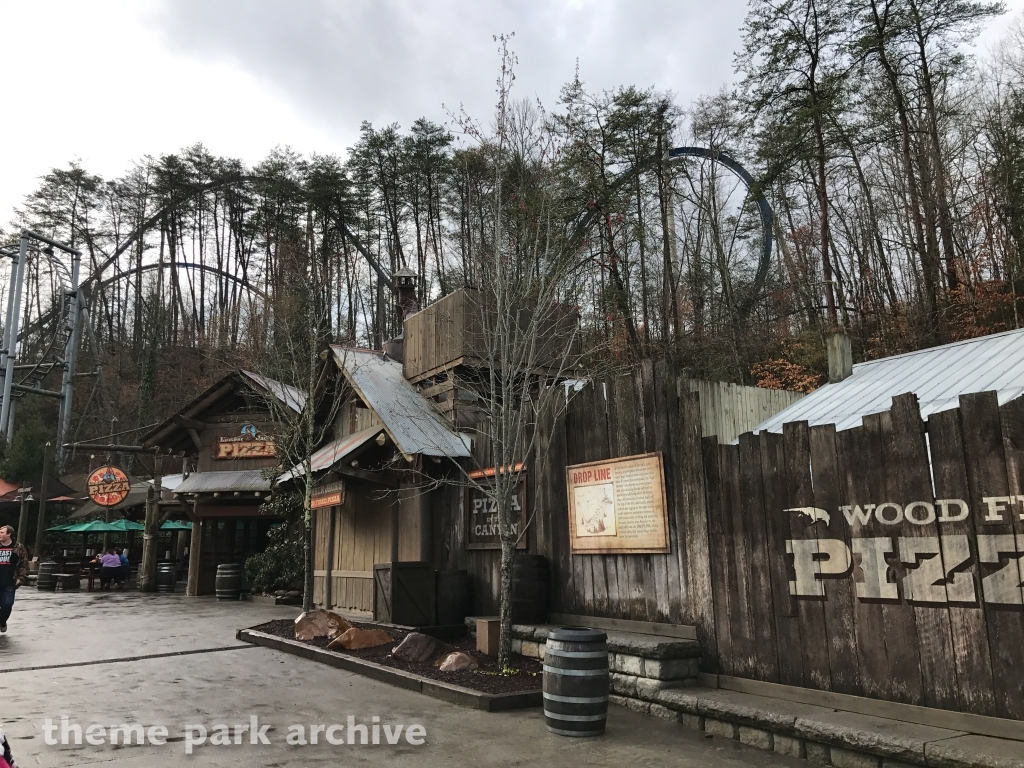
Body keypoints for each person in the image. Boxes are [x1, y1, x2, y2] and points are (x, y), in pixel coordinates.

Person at [0, 525, 30, 635]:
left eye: (2, 532)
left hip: (9, 582)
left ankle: (2, 622)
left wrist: (20, 579)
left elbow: (24, 565)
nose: (0, 534)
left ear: (9, 534)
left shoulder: (18, 548)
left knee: (7, 604)